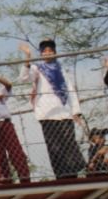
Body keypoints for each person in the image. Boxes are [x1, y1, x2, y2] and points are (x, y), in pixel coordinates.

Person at [18, 40, 87, 179]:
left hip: (64, 112)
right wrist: (28, 57)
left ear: (55, 53)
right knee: (55, 148)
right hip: (47, 113)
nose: (47, 53)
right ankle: (61, 177)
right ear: (41, 53)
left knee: (69, 144)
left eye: (50, 50)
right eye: (44, 51)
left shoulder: (61, 69)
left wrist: (76, 111)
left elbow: (70, 90)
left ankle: (73, 174)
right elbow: (24, 78)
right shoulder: (37, 68)